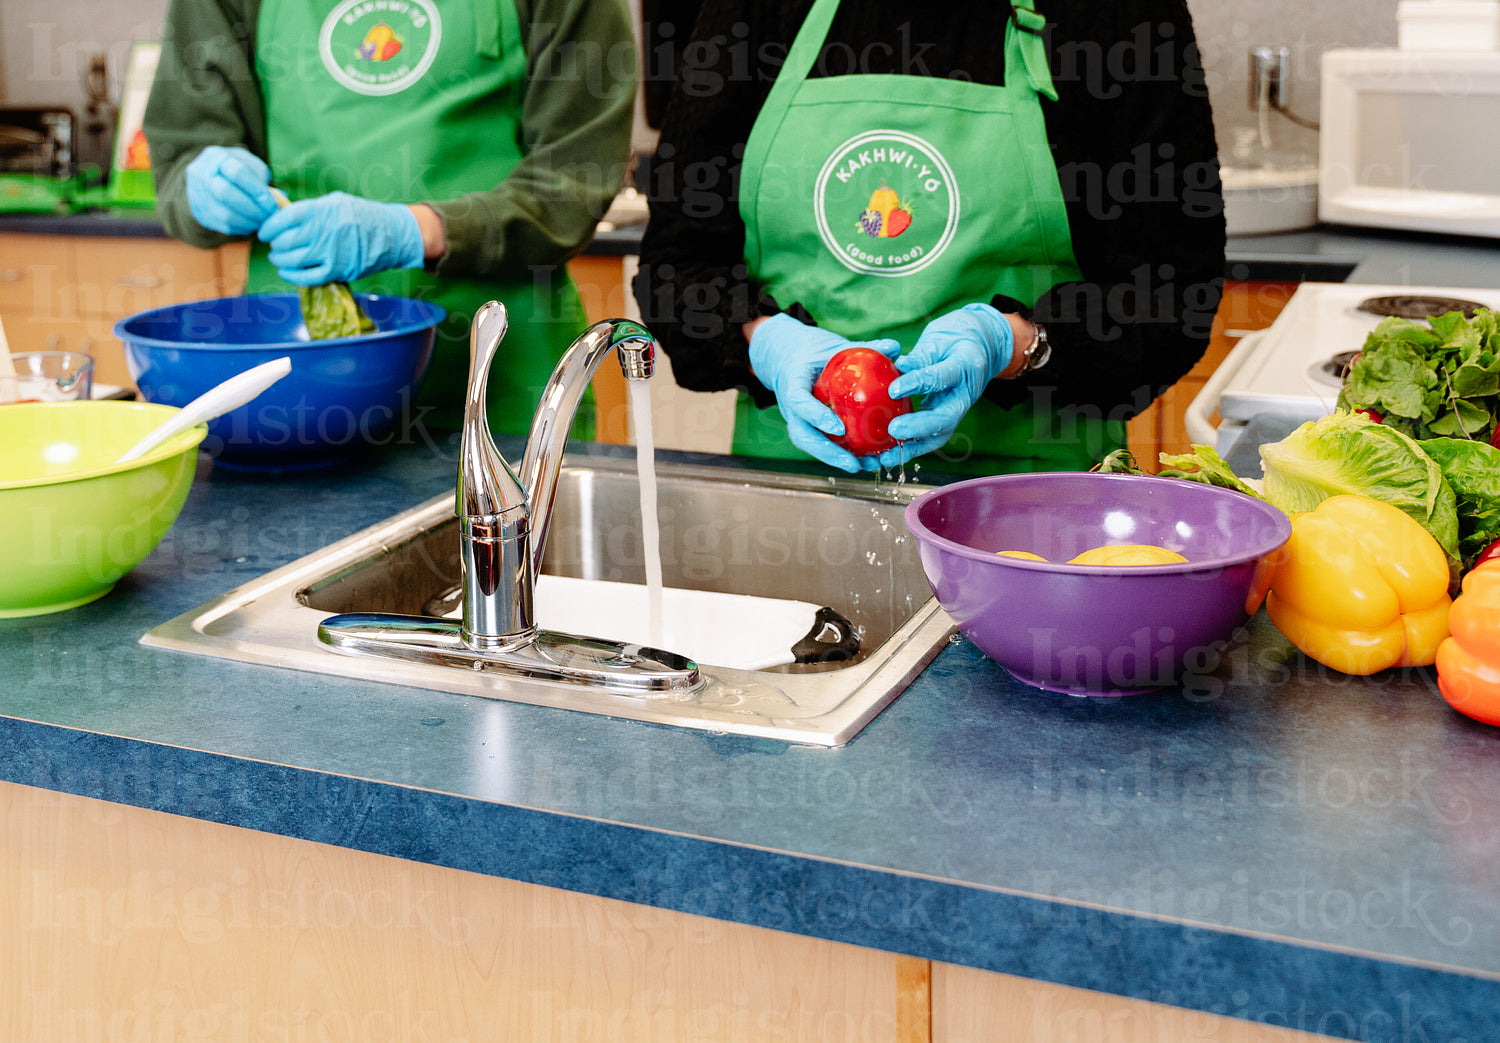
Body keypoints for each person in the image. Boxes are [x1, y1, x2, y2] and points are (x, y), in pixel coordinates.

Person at [634, 0, 1226, 475]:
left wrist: (1015, 342)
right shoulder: (754, 11)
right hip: (793, 482)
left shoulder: (1118, 16)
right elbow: (676, 261)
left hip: (1038, 495)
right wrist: (765, 341)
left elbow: (1172, 294)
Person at [144, 0, 637, 435]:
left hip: (501, 371)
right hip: (297, 383)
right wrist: (201, 184)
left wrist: (416, 230)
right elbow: (181, 154)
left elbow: (573, 179)